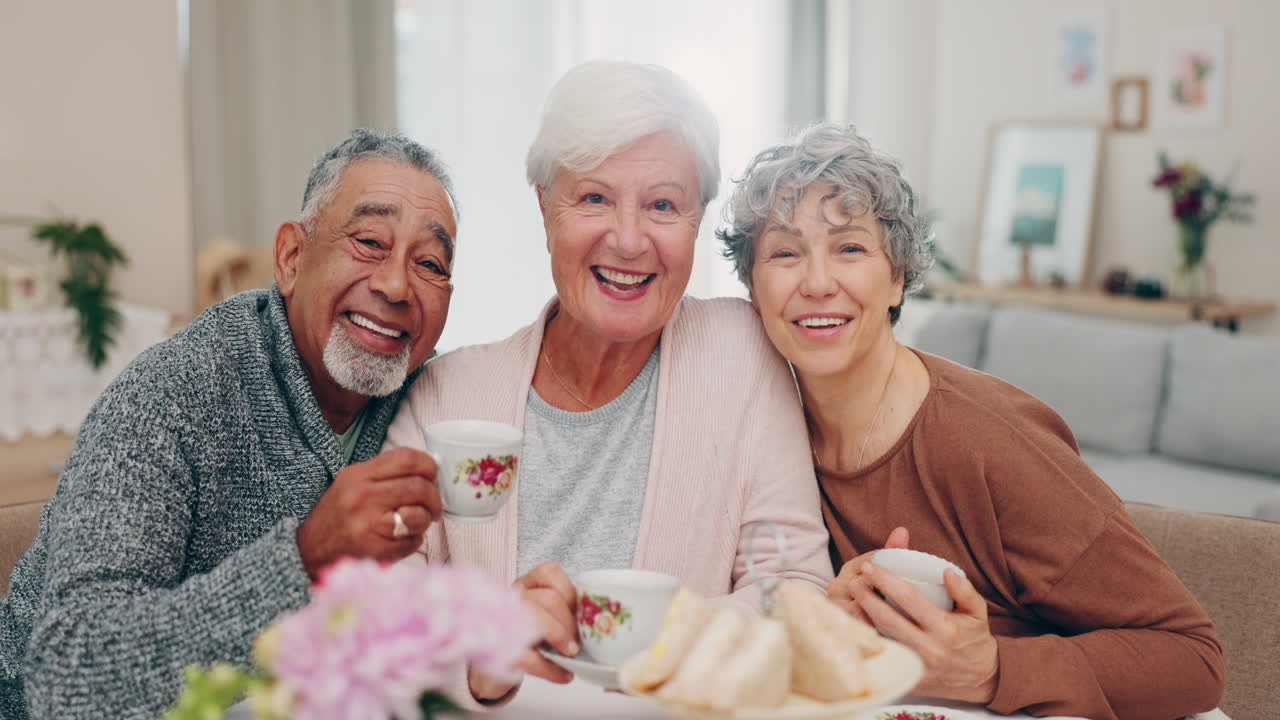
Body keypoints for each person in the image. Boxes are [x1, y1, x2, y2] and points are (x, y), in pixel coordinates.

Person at [717, 122, 1225, 720]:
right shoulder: (769, 434)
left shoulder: (990, 443)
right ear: (753, 289)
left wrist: (991, 671)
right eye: (785, 253)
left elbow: (1195, 660)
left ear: (898, 275)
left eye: (850, 248)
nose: (818, 282)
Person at [383, 60, 834, 704]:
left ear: (698, 219)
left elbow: (792, 585)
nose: (628, 240)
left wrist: (671, 637)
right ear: (544, 206)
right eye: (594, 198)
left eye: (662, 205)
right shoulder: (445, 396)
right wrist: (480, 655)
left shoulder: (743, 356)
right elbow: (377, 606)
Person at [0, 129, 455, 719]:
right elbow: (69, 680)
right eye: (369, 241)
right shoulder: (172, 395)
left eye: (429, 263)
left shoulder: (433, 398)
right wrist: (303, 556)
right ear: (291, 257)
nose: (397, 285)